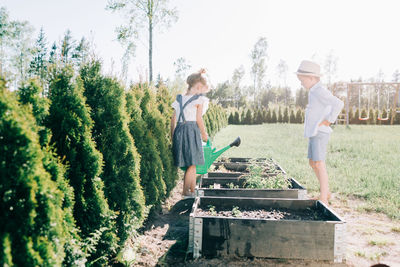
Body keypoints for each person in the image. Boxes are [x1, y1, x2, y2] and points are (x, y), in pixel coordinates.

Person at [295, 60, 344, 205]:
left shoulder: (320, 90)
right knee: (313, 162)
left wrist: (329, 120)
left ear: (311, 78)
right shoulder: (314, 90)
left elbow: (338, 103)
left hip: (320, 132)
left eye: (302, 80)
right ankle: (326, 192)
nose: (301, 83)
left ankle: (324, 197)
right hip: (314, 132)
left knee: (319, 163)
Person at [171, 69, 210, 198]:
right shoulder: (199, 100)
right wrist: (204, 134)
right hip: (192, 130)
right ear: (198, 86)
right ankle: (185, 192)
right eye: (202, 89)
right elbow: (199, 119)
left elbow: (173, 119)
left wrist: (173, 136)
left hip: (179, 131)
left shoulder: (179, 99)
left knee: (191, 164)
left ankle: (192, 191)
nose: (202, 92)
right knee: (192, 164)